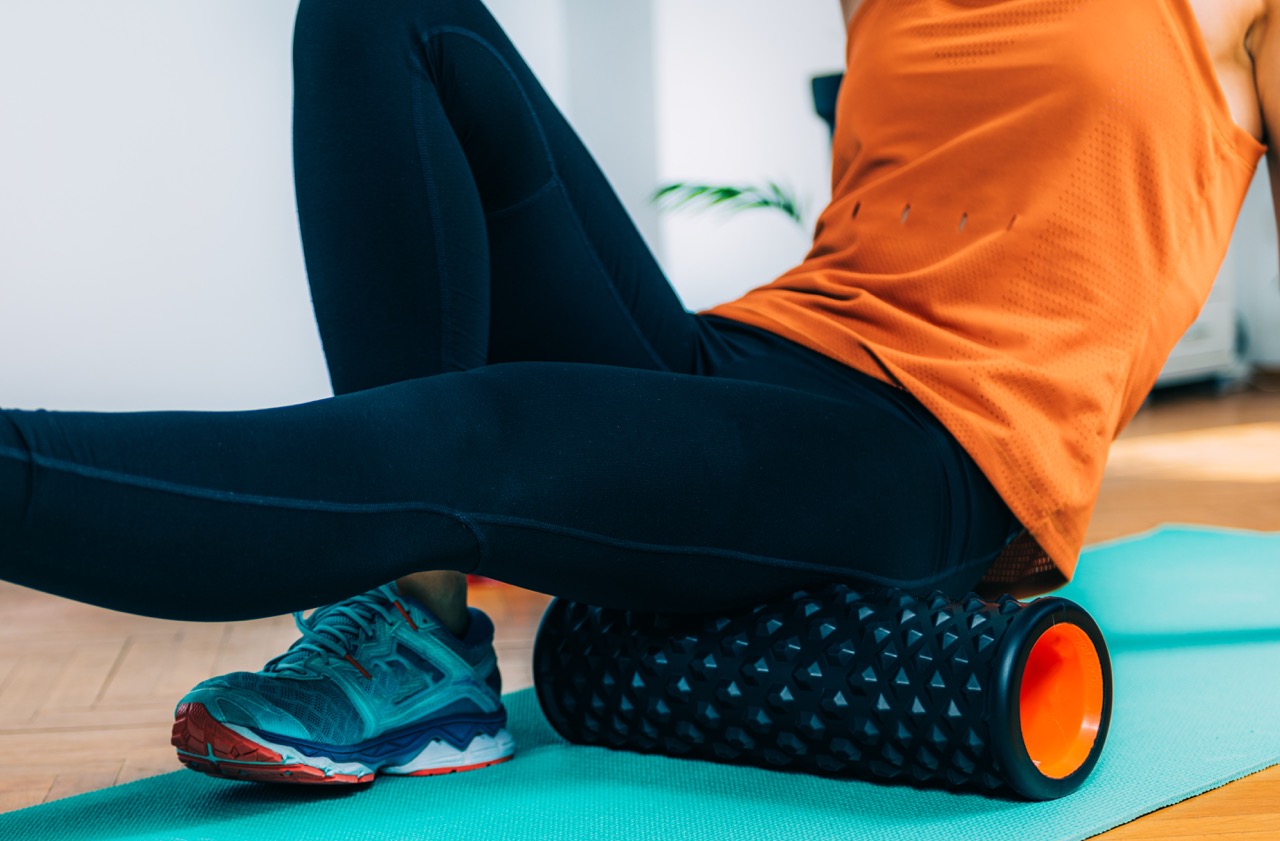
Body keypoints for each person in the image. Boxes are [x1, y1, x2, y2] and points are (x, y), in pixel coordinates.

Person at [1, 0, 1275, 784]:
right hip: (754, 360)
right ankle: (423, 637)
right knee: (377, 8)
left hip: (928, 453)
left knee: (469, 448)